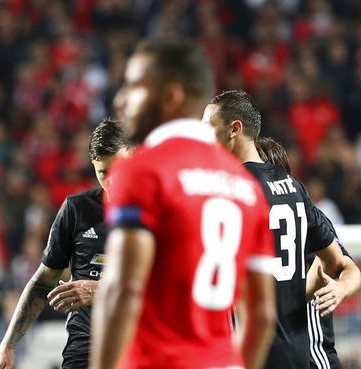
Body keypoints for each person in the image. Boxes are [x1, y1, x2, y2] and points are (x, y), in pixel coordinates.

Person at [90, 39, 277, 369]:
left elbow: (122, 291)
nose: (121, 99)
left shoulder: (142, 171)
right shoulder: (245, 188)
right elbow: (262, 317)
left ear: (171, 96)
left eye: (134, 85)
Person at [203, 90, 361, 369]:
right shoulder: (295, 189)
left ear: (234, 129)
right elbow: (338, 262)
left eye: (208, 129)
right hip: (299, 353)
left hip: (256, 351)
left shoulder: (230, 190)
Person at [0, 119, 131, 369]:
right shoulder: (77, 209)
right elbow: (43, 281)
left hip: (138, 347)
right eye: (103, 173)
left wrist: (100, 289)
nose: (112, 182)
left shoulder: (158, 211)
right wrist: (8, 344)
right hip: (84, 350)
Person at [255, 137, 361, 369]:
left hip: (314, 357)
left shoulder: (308, 219)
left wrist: (340, 288)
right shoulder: (251, 222)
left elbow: (348, 267)